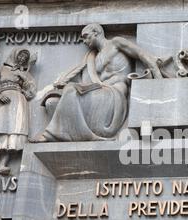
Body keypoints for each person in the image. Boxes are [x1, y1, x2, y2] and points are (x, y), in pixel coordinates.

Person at [32, 23, 163, 142]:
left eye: (86, 36)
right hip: (101, 91)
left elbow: (141, 54)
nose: (84, 41)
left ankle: (51, 135)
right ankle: (66, 132)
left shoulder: (116, 43)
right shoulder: (94, 57)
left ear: (96, 32)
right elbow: (88, 82)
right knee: (59, 97)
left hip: (116, 92)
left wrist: (158, 76)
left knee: (71, 89)